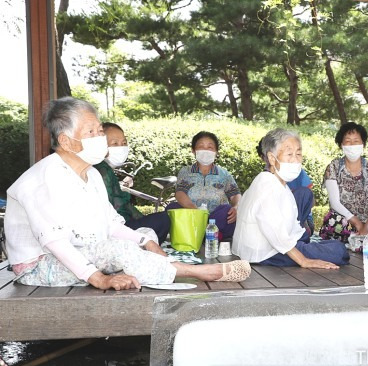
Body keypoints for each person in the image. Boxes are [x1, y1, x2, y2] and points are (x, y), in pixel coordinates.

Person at [4, 97, 251, 290]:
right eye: (91, 132)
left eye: (100, 131)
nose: (100, 138)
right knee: (118, 250)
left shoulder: (91, 175)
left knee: (142, 233)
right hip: (40, 265)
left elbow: (110, 224)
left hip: (79, 252)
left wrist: (147, 242)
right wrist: (98, 278)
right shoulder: (45, 176)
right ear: (67, 142)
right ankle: (194, 271)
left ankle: (165, 264)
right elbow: (54, 242)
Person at [233, 129, 349, 268]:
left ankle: (305, 246)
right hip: (265, 254)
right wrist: (304, 260)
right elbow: (275, 233)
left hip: (273, 248)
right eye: (289, 154)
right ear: (271, 158)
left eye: (298, 154)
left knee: (333, 246)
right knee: (338, 251)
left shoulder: (277, 182)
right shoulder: (267, 185)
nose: (295, 159)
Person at [319, 122, 368, 243]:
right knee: (332, 221)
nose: (352, 145)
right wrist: (356, 222)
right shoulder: (333, 167)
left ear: (363, 144)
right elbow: (334, 203)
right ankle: (363, 240)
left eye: (356, 141)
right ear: (341, 144)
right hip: (345, 222)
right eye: (348, 141)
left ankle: (359, 239)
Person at [93, 122, 171, 244]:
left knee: (158, 219)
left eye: (124, 143)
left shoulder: (105, 169)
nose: (121, 147)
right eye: (114, 143)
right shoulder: (102, 170)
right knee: (163, 219)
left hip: (121, 226)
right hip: (116, 230)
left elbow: (127, 206)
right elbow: (117, 209)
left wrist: (144, 220)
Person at [170, 131, 241, 240]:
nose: (205, 150)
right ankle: (209, 235)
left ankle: (201, 234)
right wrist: (197, 213)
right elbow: (180, 193)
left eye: (210, 147)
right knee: (172, 208)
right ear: (193, 150)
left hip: (217, 221)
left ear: (216, 152)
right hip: (192, 217)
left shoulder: (224, 174)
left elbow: (235, 195)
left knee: (226, 210)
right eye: (201, 147)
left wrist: (236, 207)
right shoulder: (186, 171)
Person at [256, 140, 315, 234]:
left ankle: (298, 233)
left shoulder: (296, 172)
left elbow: (311, 201)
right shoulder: (263, 179)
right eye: (266, 156)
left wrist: (291, 200)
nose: (270, 159)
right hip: (277, 224)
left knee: (303, 193)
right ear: (262, 157)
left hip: (301, 220)